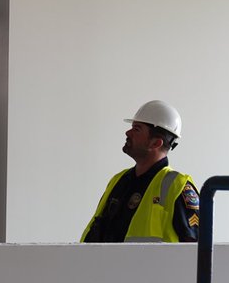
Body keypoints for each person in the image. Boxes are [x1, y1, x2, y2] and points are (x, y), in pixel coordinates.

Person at [81, 100, 200, 243]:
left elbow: (194, 251)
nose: (128, 132)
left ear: (155, 143)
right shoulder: (118, 180)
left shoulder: (177, 187)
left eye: (137, 129)